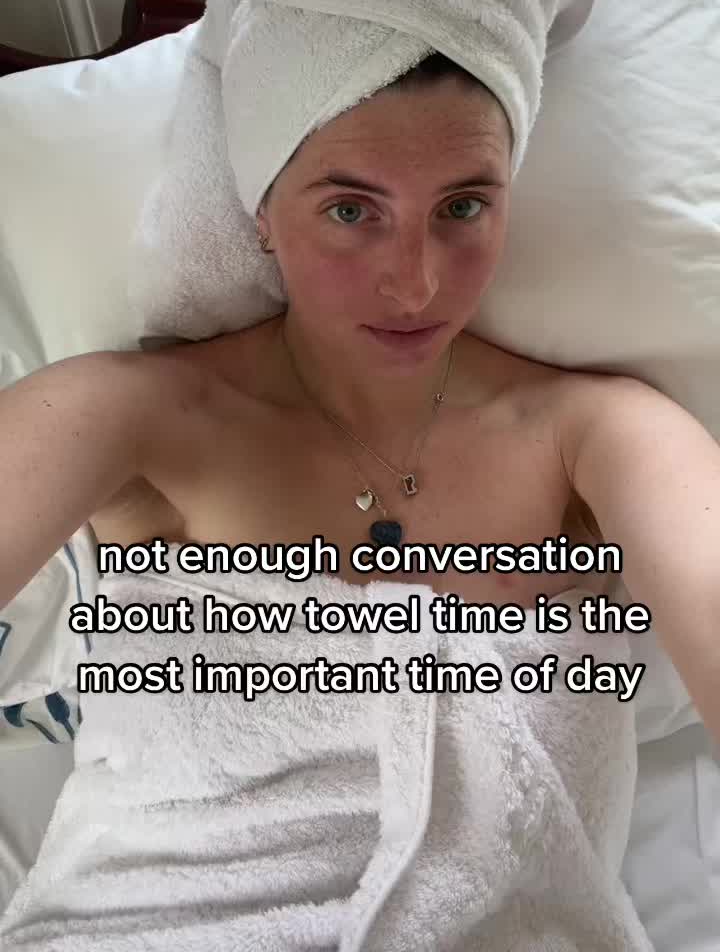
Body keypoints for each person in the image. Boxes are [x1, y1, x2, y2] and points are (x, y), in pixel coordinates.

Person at [1, 52, 718, 951]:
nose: (416, 284)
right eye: (350, 210)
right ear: (264, 211)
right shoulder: (130, 414)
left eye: (463, 207)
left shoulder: (596, 436)